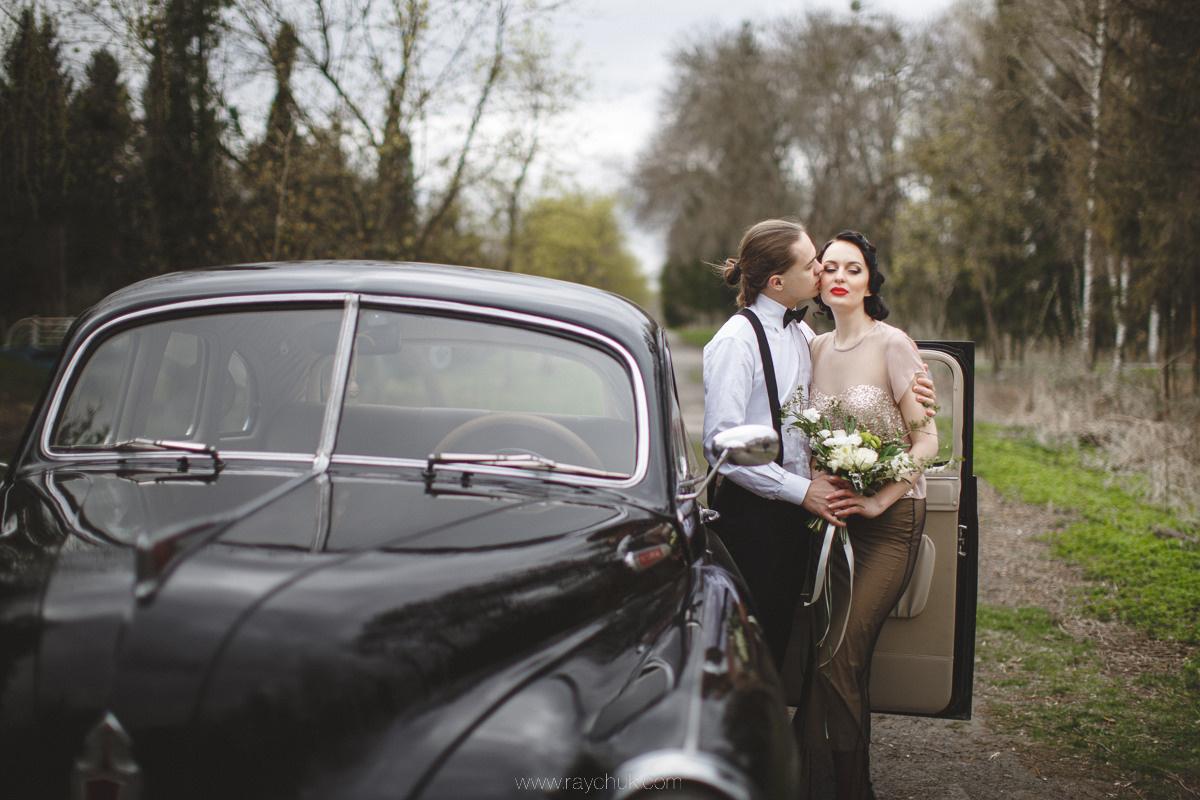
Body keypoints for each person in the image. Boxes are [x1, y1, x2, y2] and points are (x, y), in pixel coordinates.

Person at [701, 220, 935, 672]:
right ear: (777, 282)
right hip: (753, 518)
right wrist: (800, 490)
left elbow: (857, 368)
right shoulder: (736, 341)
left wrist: (916, 388)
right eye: (813, 265)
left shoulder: (806, 336)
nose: (823, 272)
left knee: (781, 642)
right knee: (745, 652)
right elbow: (719, 446)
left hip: (801, 516)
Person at [792, 230, 939, 800]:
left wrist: (880, 496)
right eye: (828, 268)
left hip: (891, 521)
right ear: (817, 280)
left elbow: (926, 441)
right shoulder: (815, 350)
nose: (838, 277)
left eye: (852, 269)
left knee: (842, 657)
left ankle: (852, 792)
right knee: (821, 658)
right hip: (836, 523)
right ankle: (811, 784)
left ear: (870, 280)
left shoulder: (894, 344)